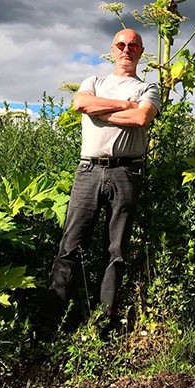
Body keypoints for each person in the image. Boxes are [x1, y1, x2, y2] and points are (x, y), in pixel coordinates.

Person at [44, 28, 160, 336]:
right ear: (112, 49)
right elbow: (81, 104)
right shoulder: (93, 82)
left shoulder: (148, 86)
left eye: (133, 45)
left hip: (126, 172)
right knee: (70, 245)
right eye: (121, 44)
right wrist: (124, 105)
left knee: (116, 250)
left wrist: (103, 111)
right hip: (89, 171)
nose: (127, 49)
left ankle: (103, 324)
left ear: (141, 51)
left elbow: (141, 119)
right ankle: (51, 322)